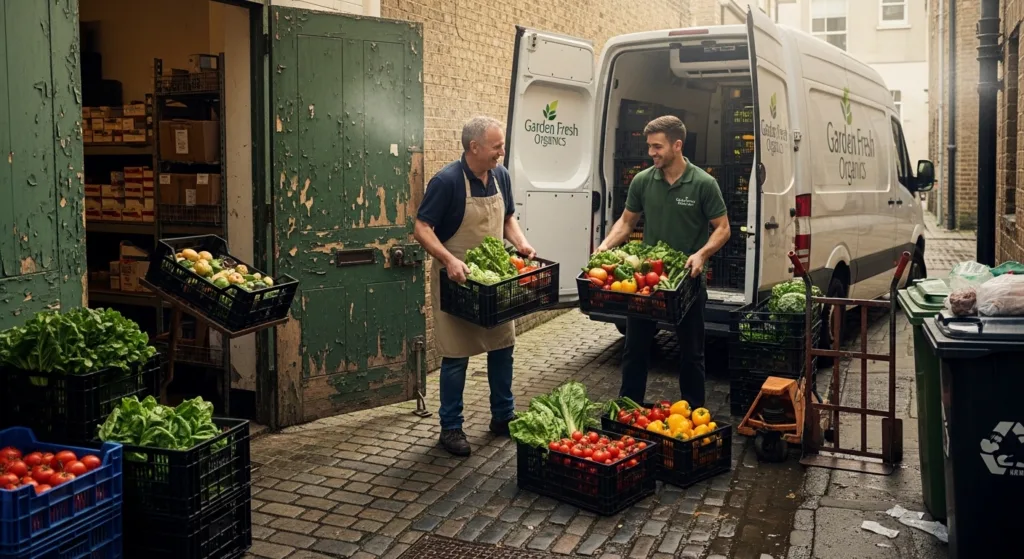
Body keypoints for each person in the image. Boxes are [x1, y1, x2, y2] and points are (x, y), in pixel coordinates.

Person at [413, 116, 536, 457]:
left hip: (493, 281)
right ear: (474, 147)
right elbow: (422, 228)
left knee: (503, 348)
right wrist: (449, 260)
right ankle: (450, 428)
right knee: (455, 358)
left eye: (501, 146)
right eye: (497, 146)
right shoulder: (447, 181)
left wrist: (522, 244)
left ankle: (502, 416)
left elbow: (508, 217)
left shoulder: (501, 175)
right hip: (458, 281)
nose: (502, 152)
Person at [596, 115, 730, 409]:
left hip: (687, 282)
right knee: (635, 349)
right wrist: (604, 246)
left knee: (692, 353)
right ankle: (629, 408)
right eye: (649, 147)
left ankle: (694, 412)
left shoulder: (704, 183)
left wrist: (702, 254)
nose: (651, 152)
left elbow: (723, 227)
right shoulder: (643, 181)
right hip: (647, 281)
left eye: (657, 146)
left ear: (677, 145)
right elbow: (626, 222)